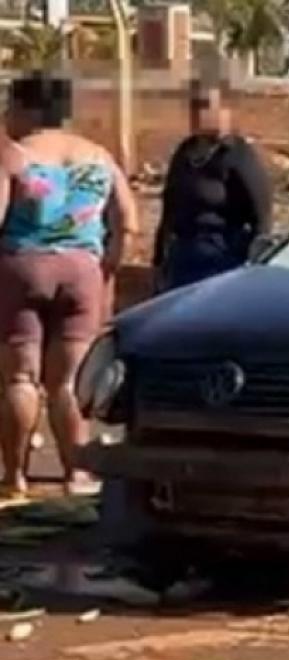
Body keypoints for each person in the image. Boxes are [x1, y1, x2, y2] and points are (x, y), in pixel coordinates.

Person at [0, 72, 138, 498]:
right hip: (83, 271)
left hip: (22, 265)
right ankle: (75, 473)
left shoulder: (15, 155)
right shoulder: (98, 156)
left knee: (20, 378)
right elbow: (127, 222)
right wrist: (106, 269)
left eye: (10, 106)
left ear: (28, 109)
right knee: (68, 381)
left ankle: (15, 477)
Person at [153, 78, 272, 292]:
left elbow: (262, 219)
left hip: (221, 259)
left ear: (224, 110)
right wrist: (159, 260)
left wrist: (253, 265)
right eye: (193, 105)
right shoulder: (185, 152)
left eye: (205, 105)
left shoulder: (238, 155)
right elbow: (168, 210)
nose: (197, 113)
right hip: (182, 259)